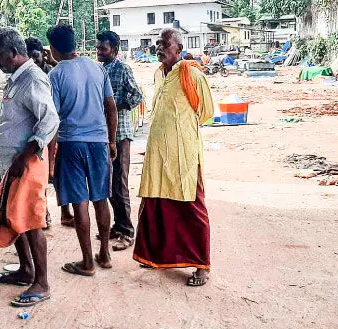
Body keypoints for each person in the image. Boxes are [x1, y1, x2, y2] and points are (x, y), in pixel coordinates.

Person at [0, 28, 60, 307]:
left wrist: (24, 157)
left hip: (25, 165)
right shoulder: (16, 79)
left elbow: (49, 121)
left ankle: (42, 282)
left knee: (31, 221)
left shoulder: (34, 78)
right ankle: (26, 270)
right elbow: (16, 121)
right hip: (9, 163)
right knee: (14, 219)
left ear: (13, 53)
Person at [132, 28, 214, 287]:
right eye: (157, 43)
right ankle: (152, 256)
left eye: (164, 44)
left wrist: (179, 132)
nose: (158, 48)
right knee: (154, 203)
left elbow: (206, 113)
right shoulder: (158, 74)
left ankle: (201, 265)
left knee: (191, 207)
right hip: (157, 153)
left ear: (178, 49)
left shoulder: (192, 74)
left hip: (183, 155)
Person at [47, 24, 118, 276]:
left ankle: (87, 262)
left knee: (80, 203)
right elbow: (111, 107)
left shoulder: (55, 75)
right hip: (99, 143)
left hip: (71, 143)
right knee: (101, 199)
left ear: (53, 48)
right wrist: (111, 141)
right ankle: (105, 254)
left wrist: (50, 157)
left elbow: (53, 120)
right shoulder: (98, 68)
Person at [95, 31, 142, 251]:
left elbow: (137, 96)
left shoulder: (122, 69)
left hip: (120, 134)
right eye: (98, 48)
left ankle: (127, 231)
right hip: (103, 134)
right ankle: (117, 225)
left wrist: (115, 106)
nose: (99, 52)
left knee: (119, 185)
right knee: (108, 184)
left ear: (114, 50)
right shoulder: (99, 70)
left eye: (103, 49)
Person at [26, 36, 75, 228]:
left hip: (58, 130)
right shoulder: (25, 76)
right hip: (36, 132)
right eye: (29, 57)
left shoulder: (53, 73)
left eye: (36, 56)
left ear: (43, 55)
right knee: (39, 176)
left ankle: (65, 212)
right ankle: (43, 213)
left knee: (59, 174)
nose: (33, 60)